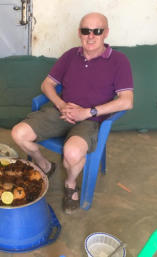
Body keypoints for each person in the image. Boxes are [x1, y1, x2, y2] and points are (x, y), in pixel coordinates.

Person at [11, 12, 133, 214]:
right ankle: (45, 165)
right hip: (62, 112)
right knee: (18, 133)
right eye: (86, 30)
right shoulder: (70, 55)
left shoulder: (119, 61)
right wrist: (60, 104)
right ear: (79, 33)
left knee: (72, 153)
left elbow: (126, 101)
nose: (91, 36)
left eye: (97, 31)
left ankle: (70, 185)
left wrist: (88, 112)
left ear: (106, 33)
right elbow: (47, 84)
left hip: (90, 120)